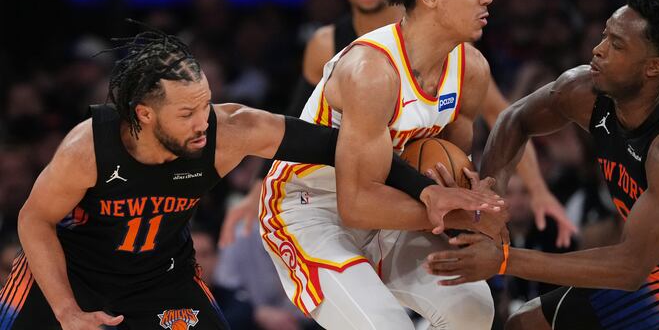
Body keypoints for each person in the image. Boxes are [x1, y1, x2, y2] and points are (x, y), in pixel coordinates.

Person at [0, 30, 500, 330]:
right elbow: (34, 219)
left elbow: (338, 146)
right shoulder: (89, 147)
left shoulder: (231, 130)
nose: (204, 121)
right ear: (144, 115)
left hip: (161, 276)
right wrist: (66, 310)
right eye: (187, 113)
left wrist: (425, 189)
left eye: (206, 103)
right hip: (72, 274)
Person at [426, 0, 659, 330]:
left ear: (654, 67)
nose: (598, 50)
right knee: (524, 323)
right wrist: (487, 201)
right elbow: (514, 119)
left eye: (617, 45)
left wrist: (503, 259)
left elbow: (629, 268)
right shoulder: (585, 91)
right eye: (605, 36)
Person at [259, 0, 509, 329]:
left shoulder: (472, 70)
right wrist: (461, 213)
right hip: (311, 208)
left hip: (396, 206)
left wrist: (471, 194)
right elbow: (355, 204)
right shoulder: (371, 71)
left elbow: (442, 171)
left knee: (473, 309)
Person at [287, 0, 574, 248]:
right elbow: (298, 126)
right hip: (328, 193)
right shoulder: (331, 45)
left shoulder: (448, 46)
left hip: (398, 188)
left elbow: (502, 115)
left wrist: (534, 189)